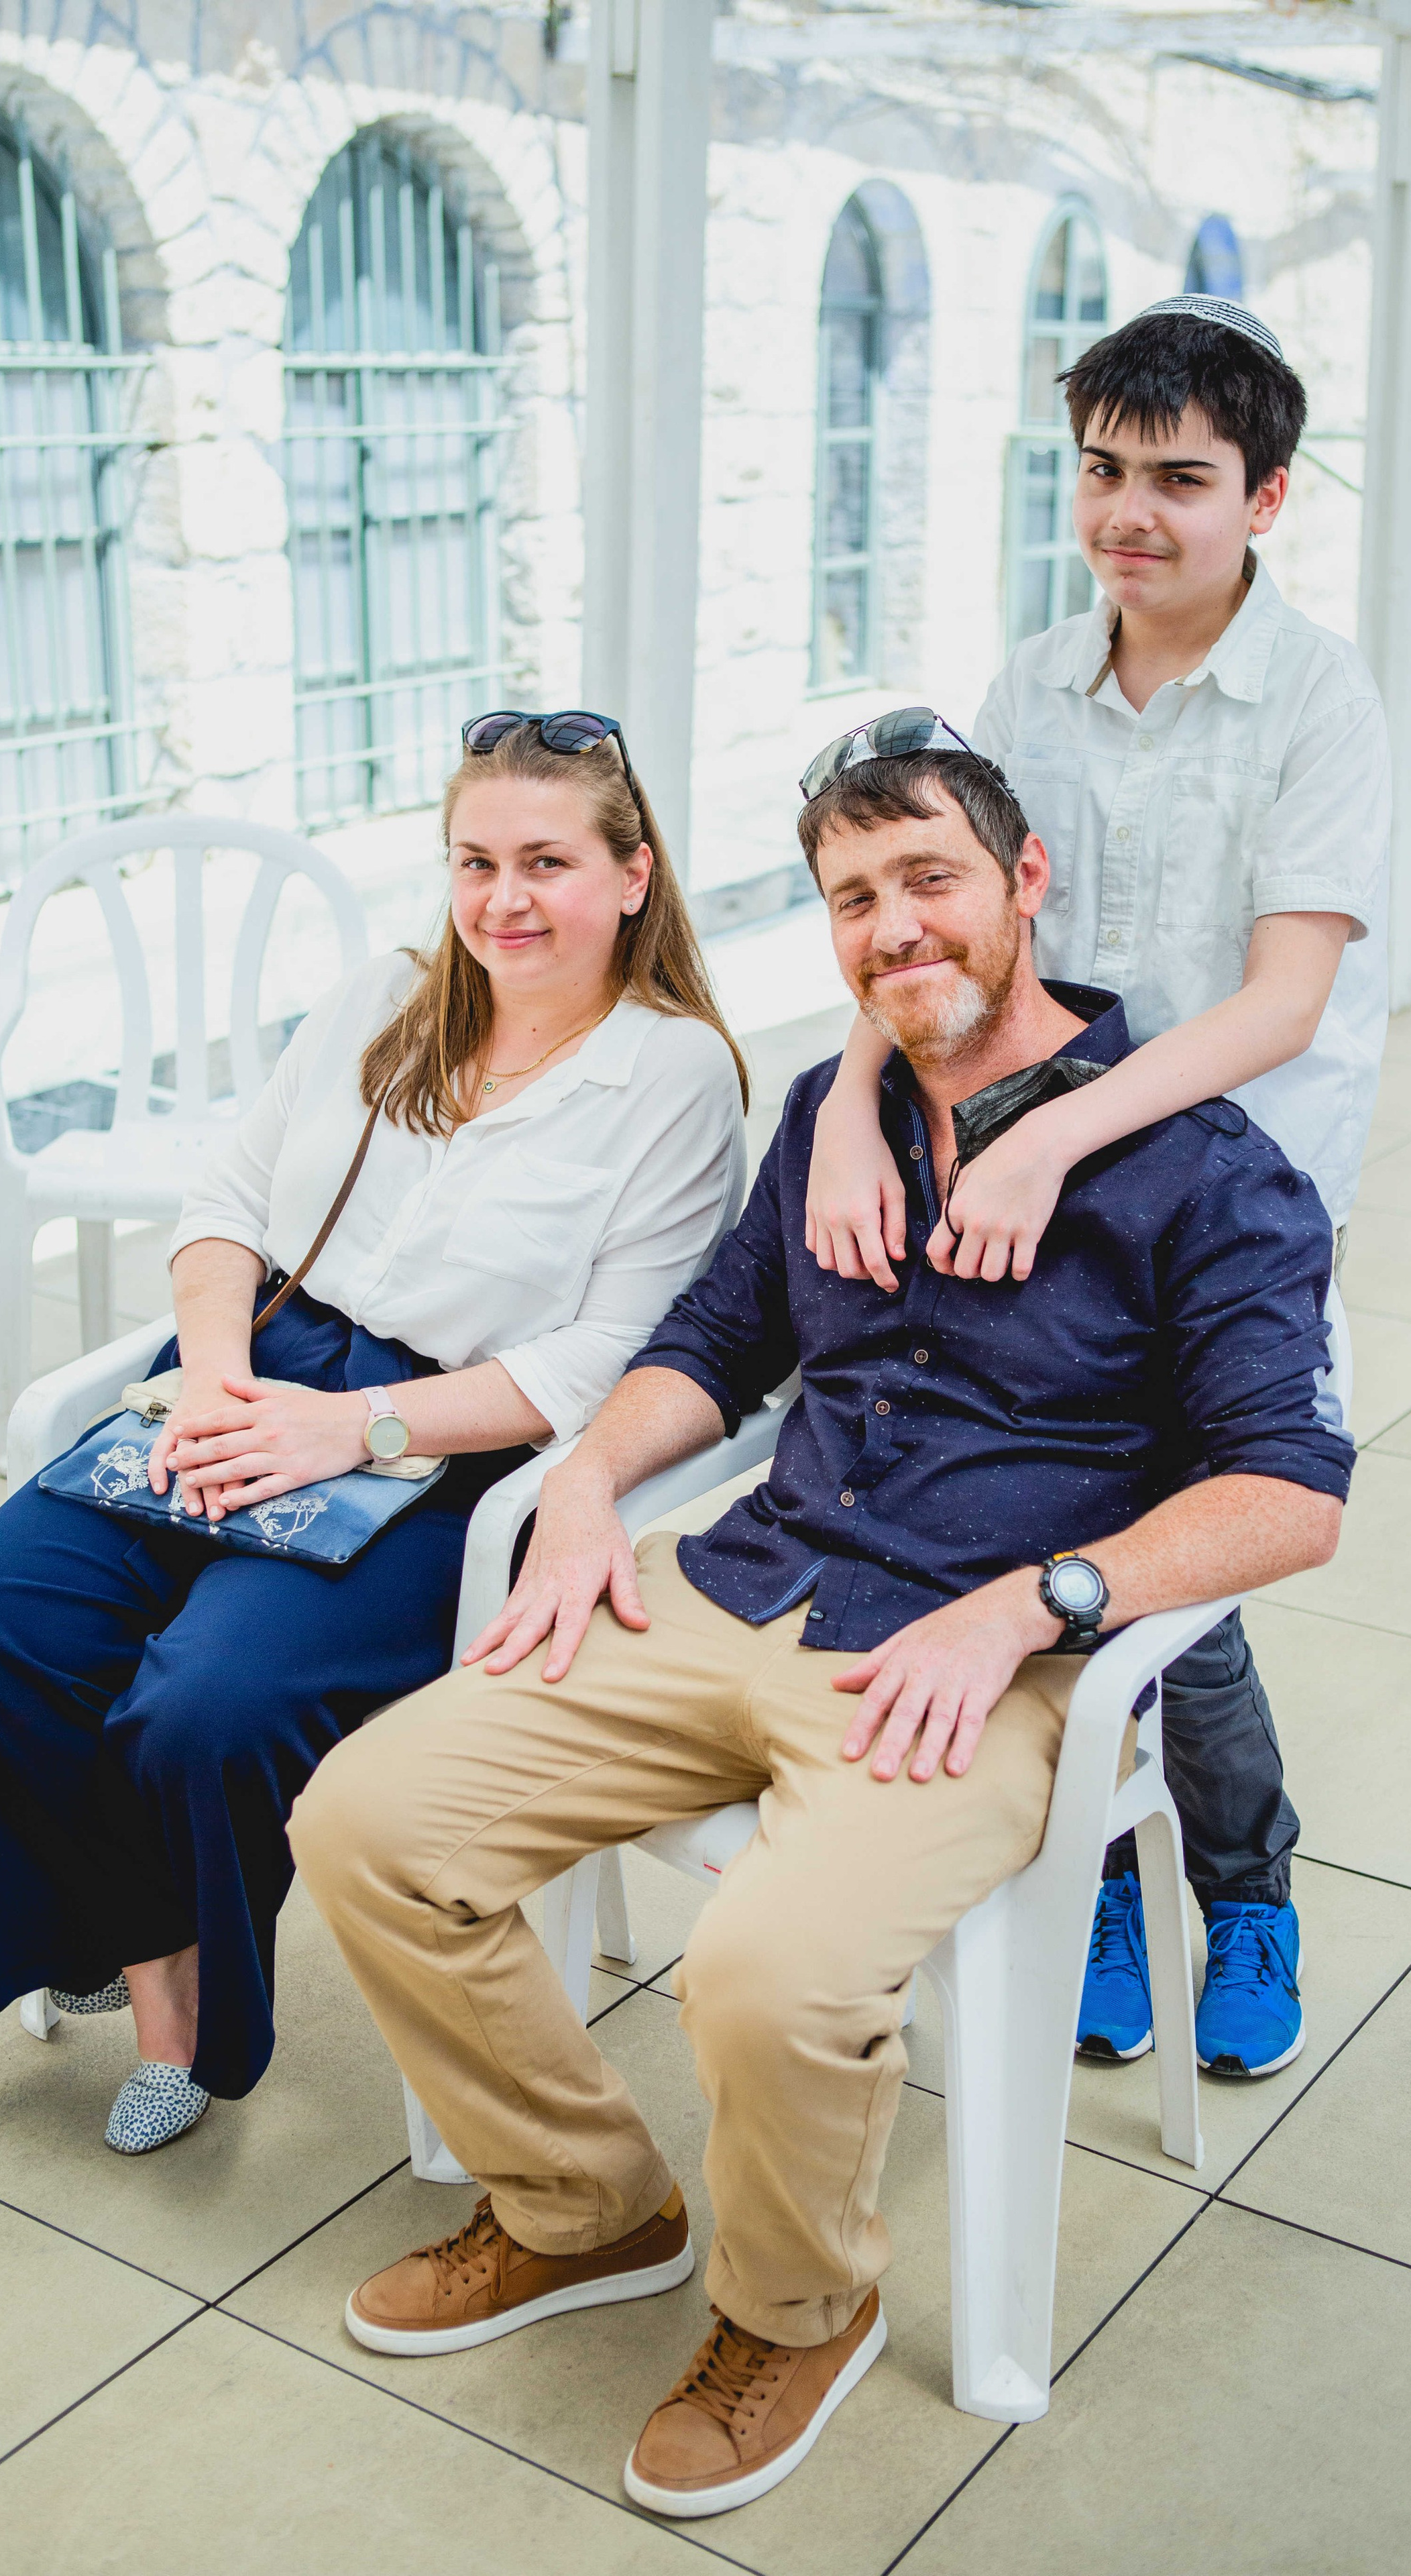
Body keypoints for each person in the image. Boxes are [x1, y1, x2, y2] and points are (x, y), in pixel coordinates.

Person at [287, 733, 1352, 2520]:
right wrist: (579, 1482)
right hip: (740, 1581)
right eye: (854, 899)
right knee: (369, 1824)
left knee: (765, 1969)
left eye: (929, 880)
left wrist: (1036, 1607)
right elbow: (716, 1341)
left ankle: (795, 2311)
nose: (891, 928)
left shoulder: (1207, 1170)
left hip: (973, 1664)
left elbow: (1294, 1493)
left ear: (1024, 887)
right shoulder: (831, 1117)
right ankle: (583, 2210)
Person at [0, 712, 748, 2154]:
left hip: (448, 1443)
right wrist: (224, 1377)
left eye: (546, 860)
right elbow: (224, 1199)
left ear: (631, 873)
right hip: (255, 1363)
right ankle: (135, 1945)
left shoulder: (671, 1077)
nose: (503, 900)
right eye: (473, 861)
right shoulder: (383, 995)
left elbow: (605, 1355)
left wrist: (351, 1429)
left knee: (206, 1707)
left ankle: (191, 2029)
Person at [801, 295, 1388, 2078]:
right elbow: (948, 942)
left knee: (1159, 1557)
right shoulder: (1026, 683)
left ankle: (1244, 1883)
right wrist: (850, 1103)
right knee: (1037, 1528)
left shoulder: (1320, 701)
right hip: (1024, 1182)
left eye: (1182, 480)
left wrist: (1059, 1131)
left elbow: (1285, 1000)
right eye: (1105, 472)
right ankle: (1105, 1868)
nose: (1133, 513)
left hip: (1220, 1194)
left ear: (1265, 499)